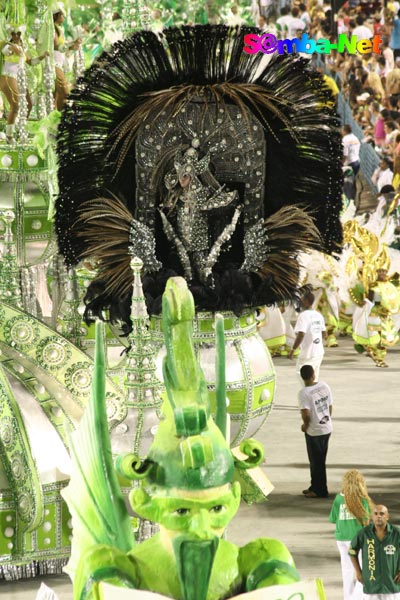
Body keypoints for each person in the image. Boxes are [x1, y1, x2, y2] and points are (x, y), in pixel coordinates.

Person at [329, 470, 374, 600]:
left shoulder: (339, 498)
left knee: (347, 570)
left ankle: (348, 597)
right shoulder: (363, 500)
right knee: (363, 570)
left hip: (341, 539)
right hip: (357, 540)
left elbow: (332, 519)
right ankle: (359, 596)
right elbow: (366, 522)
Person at [0, 24, 49, 141]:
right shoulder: (6, 45)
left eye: (18, 34)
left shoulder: (23, 48)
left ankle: (19, 128)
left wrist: (42, 56)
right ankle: (9, 135)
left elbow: (31, 62)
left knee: (28, 104)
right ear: (10, 35)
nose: (16, 36)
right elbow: (7, 50)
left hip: (19, 79)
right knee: (16, 106)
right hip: (8, 77)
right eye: (13, 34)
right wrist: (13, 46)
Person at [349, 505, 400, 598]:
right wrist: (358, 572)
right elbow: (352, 551)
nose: (378, 516)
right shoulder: (364, 533)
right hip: (371, 584)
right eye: (375, 514)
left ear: (387, 516)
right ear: (372, 517)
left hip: (392, 584)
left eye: (382, 514)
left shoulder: (397, 533)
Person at [298, 364, 332, 499]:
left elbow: (306, 413)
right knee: (319, 460)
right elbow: (330, 406)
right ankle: (314, 486)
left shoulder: (303, 393)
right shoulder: (324, 386)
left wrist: (305, 426)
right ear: (313, 375)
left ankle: (320, 490)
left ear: (302, 377)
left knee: (316, 462)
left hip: (315, 431)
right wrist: (326, 420)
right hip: (327, 428)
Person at [289, 292, 327, 382]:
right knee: (314, 378)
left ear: (306, 301)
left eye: (302, 299)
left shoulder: (303, 316)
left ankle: (310, 395)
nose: (300, 302)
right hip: (318, 352)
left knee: (302, 376)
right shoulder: (319, 315)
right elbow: (324, 334)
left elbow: (301, 334)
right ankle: (316, 394)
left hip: (307, 354)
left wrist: (293, 349)